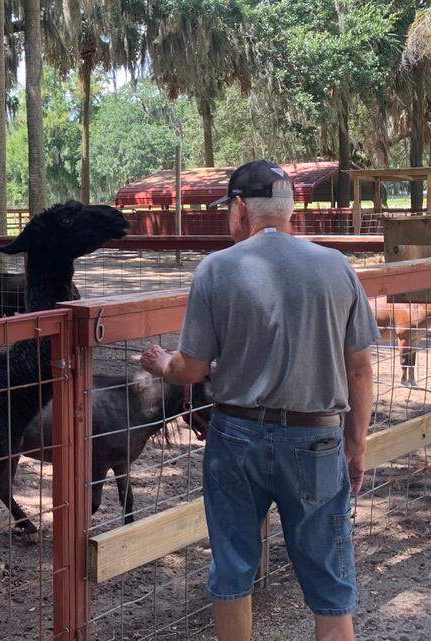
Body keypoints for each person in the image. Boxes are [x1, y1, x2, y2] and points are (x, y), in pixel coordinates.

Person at [141, 159, 379, 641]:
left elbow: (192, 367)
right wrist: (355, 445)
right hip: (317, 439)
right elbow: (360, 368)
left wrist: (162, 363)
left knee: (232, 572)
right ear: (289, 210)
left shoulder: (217, 269)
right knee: (330, 583)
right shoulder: (336, 266)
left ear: (240, 208)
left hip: (236, 439)